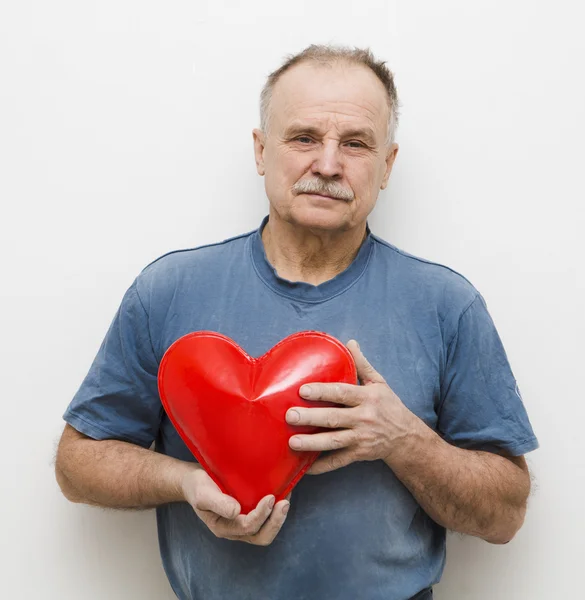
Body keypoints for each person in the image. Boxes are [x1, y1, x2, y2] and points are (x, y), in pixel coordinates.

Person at [55, 45, 538, 600]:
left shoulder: (447, 305)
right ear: (261, 151)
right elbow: (77, 463)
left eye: (355, 144)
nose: (328, 164)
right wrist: (186, 480)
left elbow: (505, 517)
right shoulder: (168, 291)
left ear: (388, 165)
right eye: (304, 137)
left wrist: (404, 440)